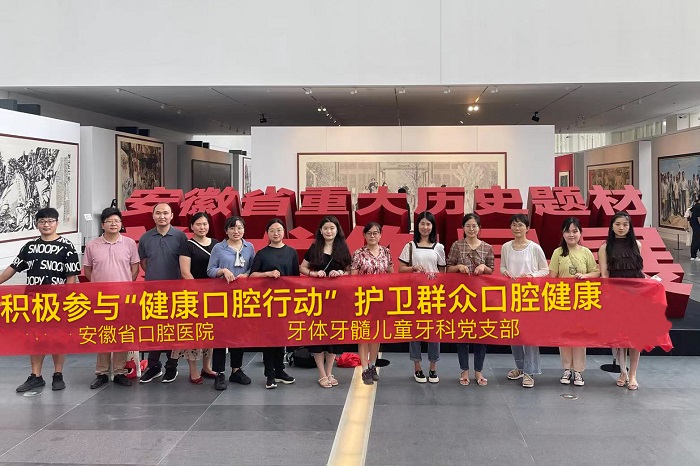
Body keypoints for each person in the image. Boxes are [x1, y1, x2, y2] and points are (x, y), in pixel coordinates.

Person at [0, 207, 81, 392]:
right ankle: (35, 376)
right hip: (34, 301)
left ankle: (58, 375)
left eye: (50, 221)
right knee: (35, 338)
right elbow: (13, 268)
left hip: (57, 302)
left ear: (57, 223)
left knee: (57, 338)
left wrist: (69, 299)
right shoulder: (29, 246)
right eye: (42, 221)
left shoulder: (67, 246)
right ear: (37, 224)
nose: (46, 224)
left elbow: (71, 276)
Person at [83, 207, 140, 389]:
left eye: (117, 221)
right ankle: (101, 372)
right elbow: (88, 270)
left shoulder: (129, 243)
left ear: (121, 224)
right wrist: (99, 285)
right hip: (101, 299)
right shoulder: (92, 245)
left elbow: (135, 268)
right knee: (103, 334)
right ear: (103, 225)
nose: (113, 224)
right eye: (109, 221)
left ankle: (119, 371)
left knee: (122, 334)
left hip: (124, 298)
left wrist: (124, 285)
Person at [138, 202, 188, 384]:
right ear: (153, 216)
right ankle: (154, 366)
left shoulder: (180, 237)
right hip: (152, 292)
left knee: (173, 330)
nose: (162, 216)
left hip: (176, 291)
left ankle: (171, 366)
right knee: (153, 329)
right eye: (158, 213)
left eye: (166, 213)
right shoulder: (145, 238)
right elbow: (144, 263)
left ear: (172, 216)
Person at [299, 216, 352, 388]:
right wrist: (313, 274)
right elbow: (302, 267)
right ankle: (321, 373)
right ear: (321, 231)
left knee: (334, 335)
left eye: (332, 228)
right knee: (319, 334)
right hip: (318, 298)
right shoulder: (315, 247)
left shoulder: (342, 248)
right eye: (326, 228)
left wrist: (340, 273)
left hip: (337, 298)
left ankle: (329, 372)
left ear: (337, 230)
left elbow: (350, 271)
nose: (329, 231)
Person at [499, 214, 549, 388]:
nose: (517, 228)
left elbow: (545, 270)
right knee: (514, 332)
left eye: (520, 225)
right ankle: (520, 367)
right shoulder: (506, 247)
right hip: (511, 294)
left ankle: (530, 371)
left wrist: (531, 275)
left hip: (530, 295)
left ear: (527, 228)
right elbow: (502, 266)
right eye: (514, 225)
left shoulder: (534, 248)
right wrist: (505, 272)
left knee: (529, 334)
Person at [549, 217, 600, 387]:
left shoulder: (586, 252)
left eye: (575, 231)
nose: (571, 235)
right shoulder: (557, 253)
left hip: (582, 300)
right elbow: (552, 277)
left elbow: (596, 273)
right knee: (564, 336)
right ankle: (566, 369)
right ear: (562, 233)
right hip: (562, 300)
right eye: (567, 231)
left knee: (579, 336)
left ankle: (578, 371)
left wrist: (585, 276)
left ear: (580, 233)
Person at [207, 215, 255, 390]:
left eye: (240, 227)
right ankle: (219, 372)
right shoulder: (218, 248)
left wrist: (246, 275)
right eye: (232, 228)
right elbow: (210, 270)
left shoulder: (249, 247)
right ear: (226, 231)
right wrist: (223, 271)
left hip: (242, 297)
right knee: (221, 335)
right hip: (221, 297)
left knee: (239, 335)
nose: (236, 231)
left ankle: (236, 370)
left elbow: (253, 268)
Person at [598, 211, 645, 390]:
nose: (621, 228)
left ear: (630, 226)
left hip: (637, 297)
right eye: (617, 224)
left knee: (636, 336)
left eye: (625, 224)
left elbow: (639, 271)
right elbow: (604, 275)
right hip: (617, 297)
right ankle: (623, 371)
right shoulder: (605, 248)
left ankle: (633, 374)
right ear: (612, 226)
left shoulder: (637, 245)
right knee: (619, 337)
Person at [250, 218, 298, 389]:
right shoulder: (262, 253)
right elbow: (252, 275)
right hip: (267, 301)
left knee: (281, 337)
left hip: (285, 301)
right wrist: (267, 274)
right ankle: (269, 374)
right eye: (272, 230)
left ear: (284, 232)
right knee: (269, 338)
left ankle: (280, 371)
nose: (276, 233)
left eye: (279, 230)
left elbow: (295, 278)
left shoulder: (291, 252)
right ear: (267, 233)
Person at [398, 211, 446, 383]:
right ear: (417, 226)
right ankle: (417, 367)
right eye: (422, 223)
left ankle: (433, 368)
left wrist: (436, 278)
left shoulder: (439, 247)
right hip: (415, 295)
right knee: (415, 331)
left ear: (433, 226)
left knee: (434, 332)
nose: (425, 227)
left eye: (428, 224)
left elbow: (443, 271)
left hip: (433, 295)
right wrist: (413, 268)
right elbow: (401, 269)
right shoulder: (410, 246)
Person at [446, 213, 494, 387]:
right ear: (463, 228)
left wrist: (484, 267)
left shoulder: (487, 247)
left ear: (479, 228)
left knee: (482, 334)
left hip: (481, 297)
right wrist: (458, 267)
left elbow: (492, 270)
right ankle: (464, 370)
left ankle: (479, 371)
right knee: (463, 334)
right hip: (461, 297)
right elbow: (448, 268)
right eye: (468, 226)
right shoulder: (457, 245)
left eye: (474, 226)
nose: (471, 229)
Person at [172, 213, 218, 384]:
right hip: (193, 295)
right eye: (198, 224)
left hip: (213, 295)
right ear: (192, 226)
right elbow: (185, 272)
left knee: (209, 331)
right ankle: (193, 370)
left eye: (205, 224)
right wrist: (199, 292)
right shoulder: (187, 245)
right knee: (193, 332)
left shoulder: (216, 244)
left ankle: (207, 366)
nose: (202, 227)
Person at [351, 222, 394, 385]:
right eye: (369, 233)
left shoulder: (386, 252)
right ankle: (364, 369)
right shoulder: (358, 254)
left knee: (376, 334)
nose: (372, 236)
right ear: (364, 235)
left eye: (376, 233)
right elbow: (353, 277)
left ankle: (372, 365)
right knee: (363, 334)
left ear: (380, 235)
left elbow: (391, 274)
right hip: (363, 299)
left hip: (381, 299)